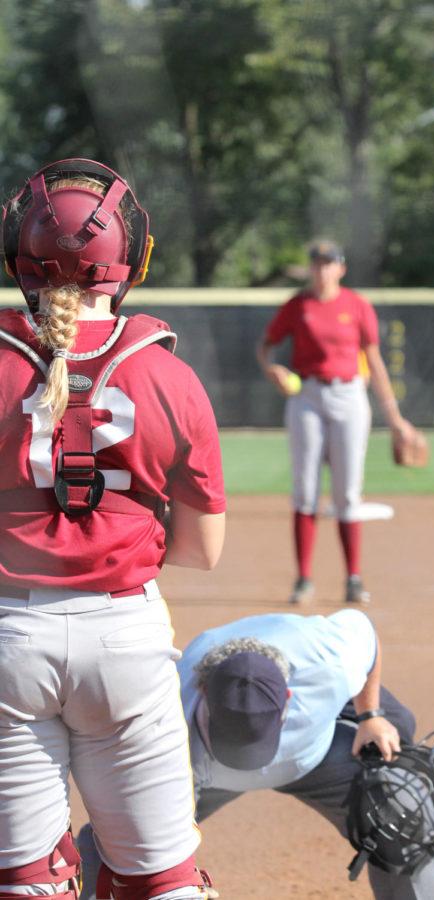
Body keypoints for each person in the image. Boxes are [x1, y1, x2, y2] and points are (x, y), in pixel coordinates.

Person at [0, 159, 226, 899]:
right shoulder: (170, 376)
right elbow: (201, 551)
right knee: (161, 880)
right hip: (124, 636)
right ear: (132, 258)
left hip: (6, 640)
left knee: (26, 881)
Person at [77, 609, 434, 900]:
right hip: (203, 773)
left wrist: (370, 715)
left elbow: (365, 633)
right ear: (204, 696)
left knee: (402, 805)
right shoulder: (172, 708)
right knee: (126, 834)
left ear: (289, 700)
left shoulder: (325, 662)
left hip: (318, 751)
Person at [256, 240, 428, 605]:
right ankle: (303, 579)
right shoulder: (297, 306)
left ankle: (353, 578)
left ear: (341, 269)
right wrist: (273, 369)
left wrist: (395, 418)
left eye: (328, 263)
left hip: (350, 396)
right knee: (305, 490)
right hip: (307, 396)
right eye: (316, 263)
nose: (321, 269)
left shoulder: (356, 306)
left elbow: (375, 362)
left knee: (348, 492)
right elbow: (265, 347)